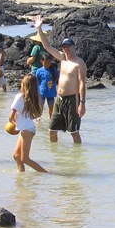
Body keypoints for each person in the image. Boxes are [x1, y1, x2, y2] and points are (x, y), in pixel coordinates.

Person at [33, 15, 87, 144]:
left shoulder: (79, 63)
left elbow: (82, 83)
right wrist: (39, 28)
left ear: (74, 47)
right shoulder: (62, 58)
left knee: (73, 132)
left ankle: (78, 159)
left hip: (72, 99)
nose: (66, 49)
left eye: (68, 46)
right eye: (64, 47)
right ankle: (55, 158)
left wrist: (82, 103)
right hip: (59, 98)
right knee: (51, 130)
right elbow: (47, 46)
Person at [10, 73, 47, 173]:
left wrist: (12, 122)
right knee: (16, 156)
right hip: (28, 129)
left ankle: (47, 174)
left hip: (26, 130)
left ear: (24, 85)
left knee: (25, 159)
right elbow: (36, 115)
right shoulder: (34, 98)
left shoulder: (19, 97)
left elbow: (11, 116)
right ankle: (21, 176)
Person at [35, 53, 59, 119]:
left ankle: (51, 121)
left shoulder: (54, 70)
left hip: (51, 93)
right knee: (40, 109)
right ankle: (38, 122)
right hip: (41, 93)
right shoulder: (39, 71)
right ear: (41, 61)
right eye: (46, 63)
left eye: (49, 62)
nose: (47, 64)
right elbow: (37, 82)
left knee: (51, 110)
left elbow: (59, 79)